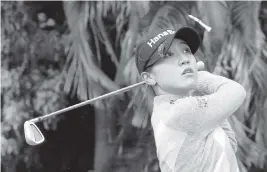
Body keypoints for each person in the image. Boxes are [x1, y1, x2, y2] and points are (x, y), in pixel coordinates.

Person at [135, 26, 246, 172]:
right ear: (149, 77)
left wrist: (193, 83)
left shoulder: (172, 110)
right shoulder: (181, 112)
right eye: (168, 54)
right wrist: (200, 78)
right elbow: (236, 92)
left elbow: (230, 145)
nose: (184, 59)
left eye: (186, 50)